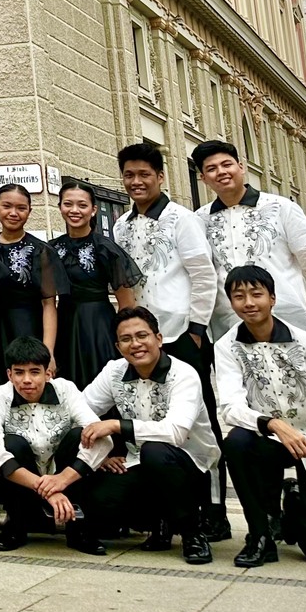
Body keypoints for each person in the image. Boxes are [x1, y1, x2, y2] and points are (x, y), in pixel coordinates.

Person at [115, 141, 227, 538]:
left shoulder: (182, 219)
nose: (136, 181)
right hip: (140, 339)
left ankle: (214, 510)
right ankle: (163, 510)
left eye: (144, 174)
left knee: (201, 423)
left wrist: (197, 330)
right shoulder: (121, 225)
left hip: (181, 335)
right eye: (129, 175)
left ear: (160, 177)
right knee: (150, 421)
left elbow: (204, 274)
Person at [214, 263, 306, 567]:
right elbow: (231, 407)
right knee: (236, 443)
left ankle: (293, 503)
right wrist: (272, 424)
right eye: (239, 296)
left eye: (256, 294)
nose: (249, 303)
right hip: (267, 440)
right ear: (231, 302)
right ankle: (260, 533)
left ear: (272, 298)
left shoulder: (304, 342)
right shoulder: (226, 346)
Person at [78, 306, 217, 564]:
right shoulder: (114, 371)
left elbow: (175, 432)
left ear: (159, 338)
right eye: (126, 339)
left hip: (187, 463)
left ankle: (192, 533)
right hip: (138, 462)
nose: (136, 344)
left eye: (142, 336)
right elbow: (80, 410)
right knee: (102, 501)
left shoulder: (183, 374)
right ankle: (156, 523)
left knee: (155, 450)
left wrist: (116, 426)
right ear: (118, 346)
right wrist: (103, 453)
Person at [0, 336, 116, 554]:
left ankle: (79, 530)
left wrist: (62, 480)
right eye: (19, 372)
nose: (27, 380)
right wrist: (46, 489)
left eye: (34, 372)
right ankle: (16, 526)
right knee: (10, 443)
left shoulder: (66, 390)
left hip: (64, 476)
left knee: (83, 435)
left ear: (48, 373)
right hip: (23, 481)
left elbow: (103, 438)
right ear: (9, 374)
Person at [195, 140, 306, 343]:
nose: (221, 172)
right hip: (229, 330)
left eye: (227, 164)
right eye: (212, 169)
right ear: (203, 178)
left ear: (241, 167)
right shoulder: (200, 219)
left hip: (289, 323)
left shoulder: (280, 207)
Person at [52, 182, 141, 382]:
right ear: (60, 207)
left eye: (82, 205)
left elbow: (126, 302)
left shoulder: (105, 248)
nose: (74, 210)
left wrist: (123, 337)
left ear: (93, 210)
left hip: (98, 324)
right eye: (68, 204)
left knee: (99, 381)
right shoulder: (52, 248)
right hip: (64, 321)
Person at [0, 182, 63, 380]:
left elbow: (49, 304)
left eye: (21, 208)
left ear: (29, 211)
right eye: (7, 206)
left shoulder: (41, 250)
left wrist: (48, 352)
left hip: (27, 327)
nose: (13, 213)